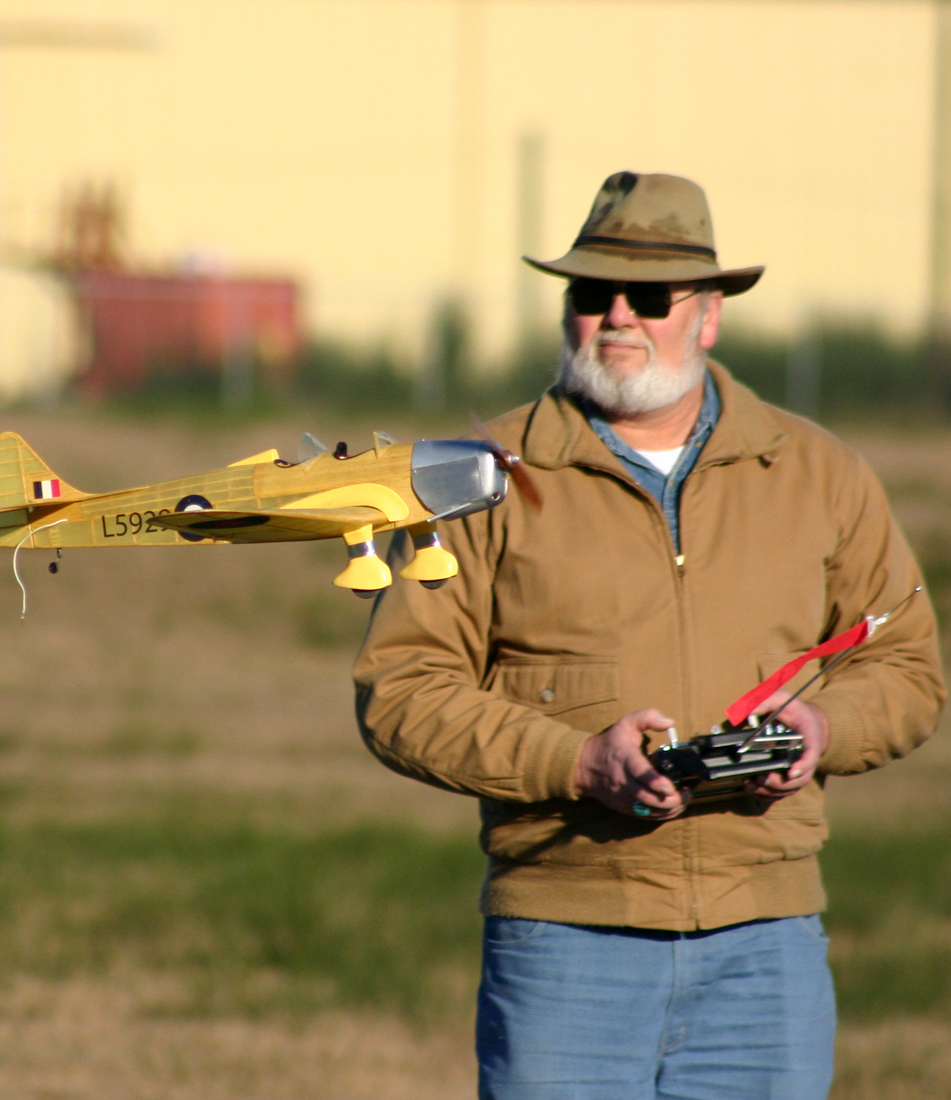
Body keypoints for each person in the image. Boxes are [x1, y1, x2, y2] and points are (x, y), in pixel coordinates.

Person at [353, 171, 945, 1100]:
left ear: (707, 316)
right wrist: (576, 762)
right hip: (564, 947)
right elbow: (401, 692)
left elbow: (906, 663)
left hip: (766, 951)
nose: (617, 316)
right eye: (592, 293)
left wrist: (823, 731)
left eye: (651, 296)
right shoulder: (474, 476)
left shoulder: (820, 473)